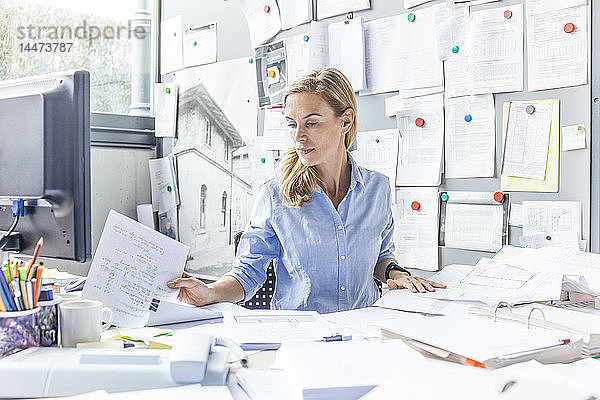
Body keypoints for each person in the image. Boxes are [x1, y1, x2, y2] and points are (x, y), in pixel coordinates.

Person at [168, 68, 446, 313]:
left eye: (311, 123)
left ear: (345, 121)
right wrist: (212, 292)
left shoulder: (377, 189)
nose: (298, 135)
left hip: (366, 331)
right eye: (292, 124)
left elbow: (381, 256)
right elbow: (248, 272)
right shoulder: (275, 195)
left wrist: (396, 273)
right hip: (302, 336)